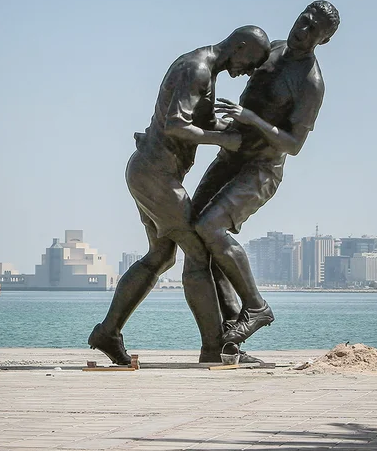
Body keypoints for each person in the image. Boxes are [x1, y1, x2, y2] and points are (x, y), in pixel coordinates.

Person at [88, 26, 271, 364]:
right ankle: (214, 349)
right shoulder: (198, 69)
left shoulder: (206, 71)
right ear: (240, 46)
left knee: (160, 256)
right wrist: (225, 141)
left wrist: (240, 126)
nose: (250, 70)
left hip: (149, 173)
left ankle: (107, 333)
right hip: (157, 177)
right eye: (253, 61)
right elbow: (175, 124)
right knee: (199, 252)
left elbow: (198, 120)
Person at [191, 0, 340, 344]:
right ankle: (227, 335)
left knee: (209, 226)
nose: (303, 31)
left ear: (323, 41)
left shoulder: (310, 83)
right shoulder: (272, 48)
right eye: (304, 21)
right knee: (196, 231)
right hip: (231, 156)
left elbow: (294, 144)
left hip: (261, 170)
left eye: (313, 30)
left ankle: (256, 307)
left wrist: (252, 120)